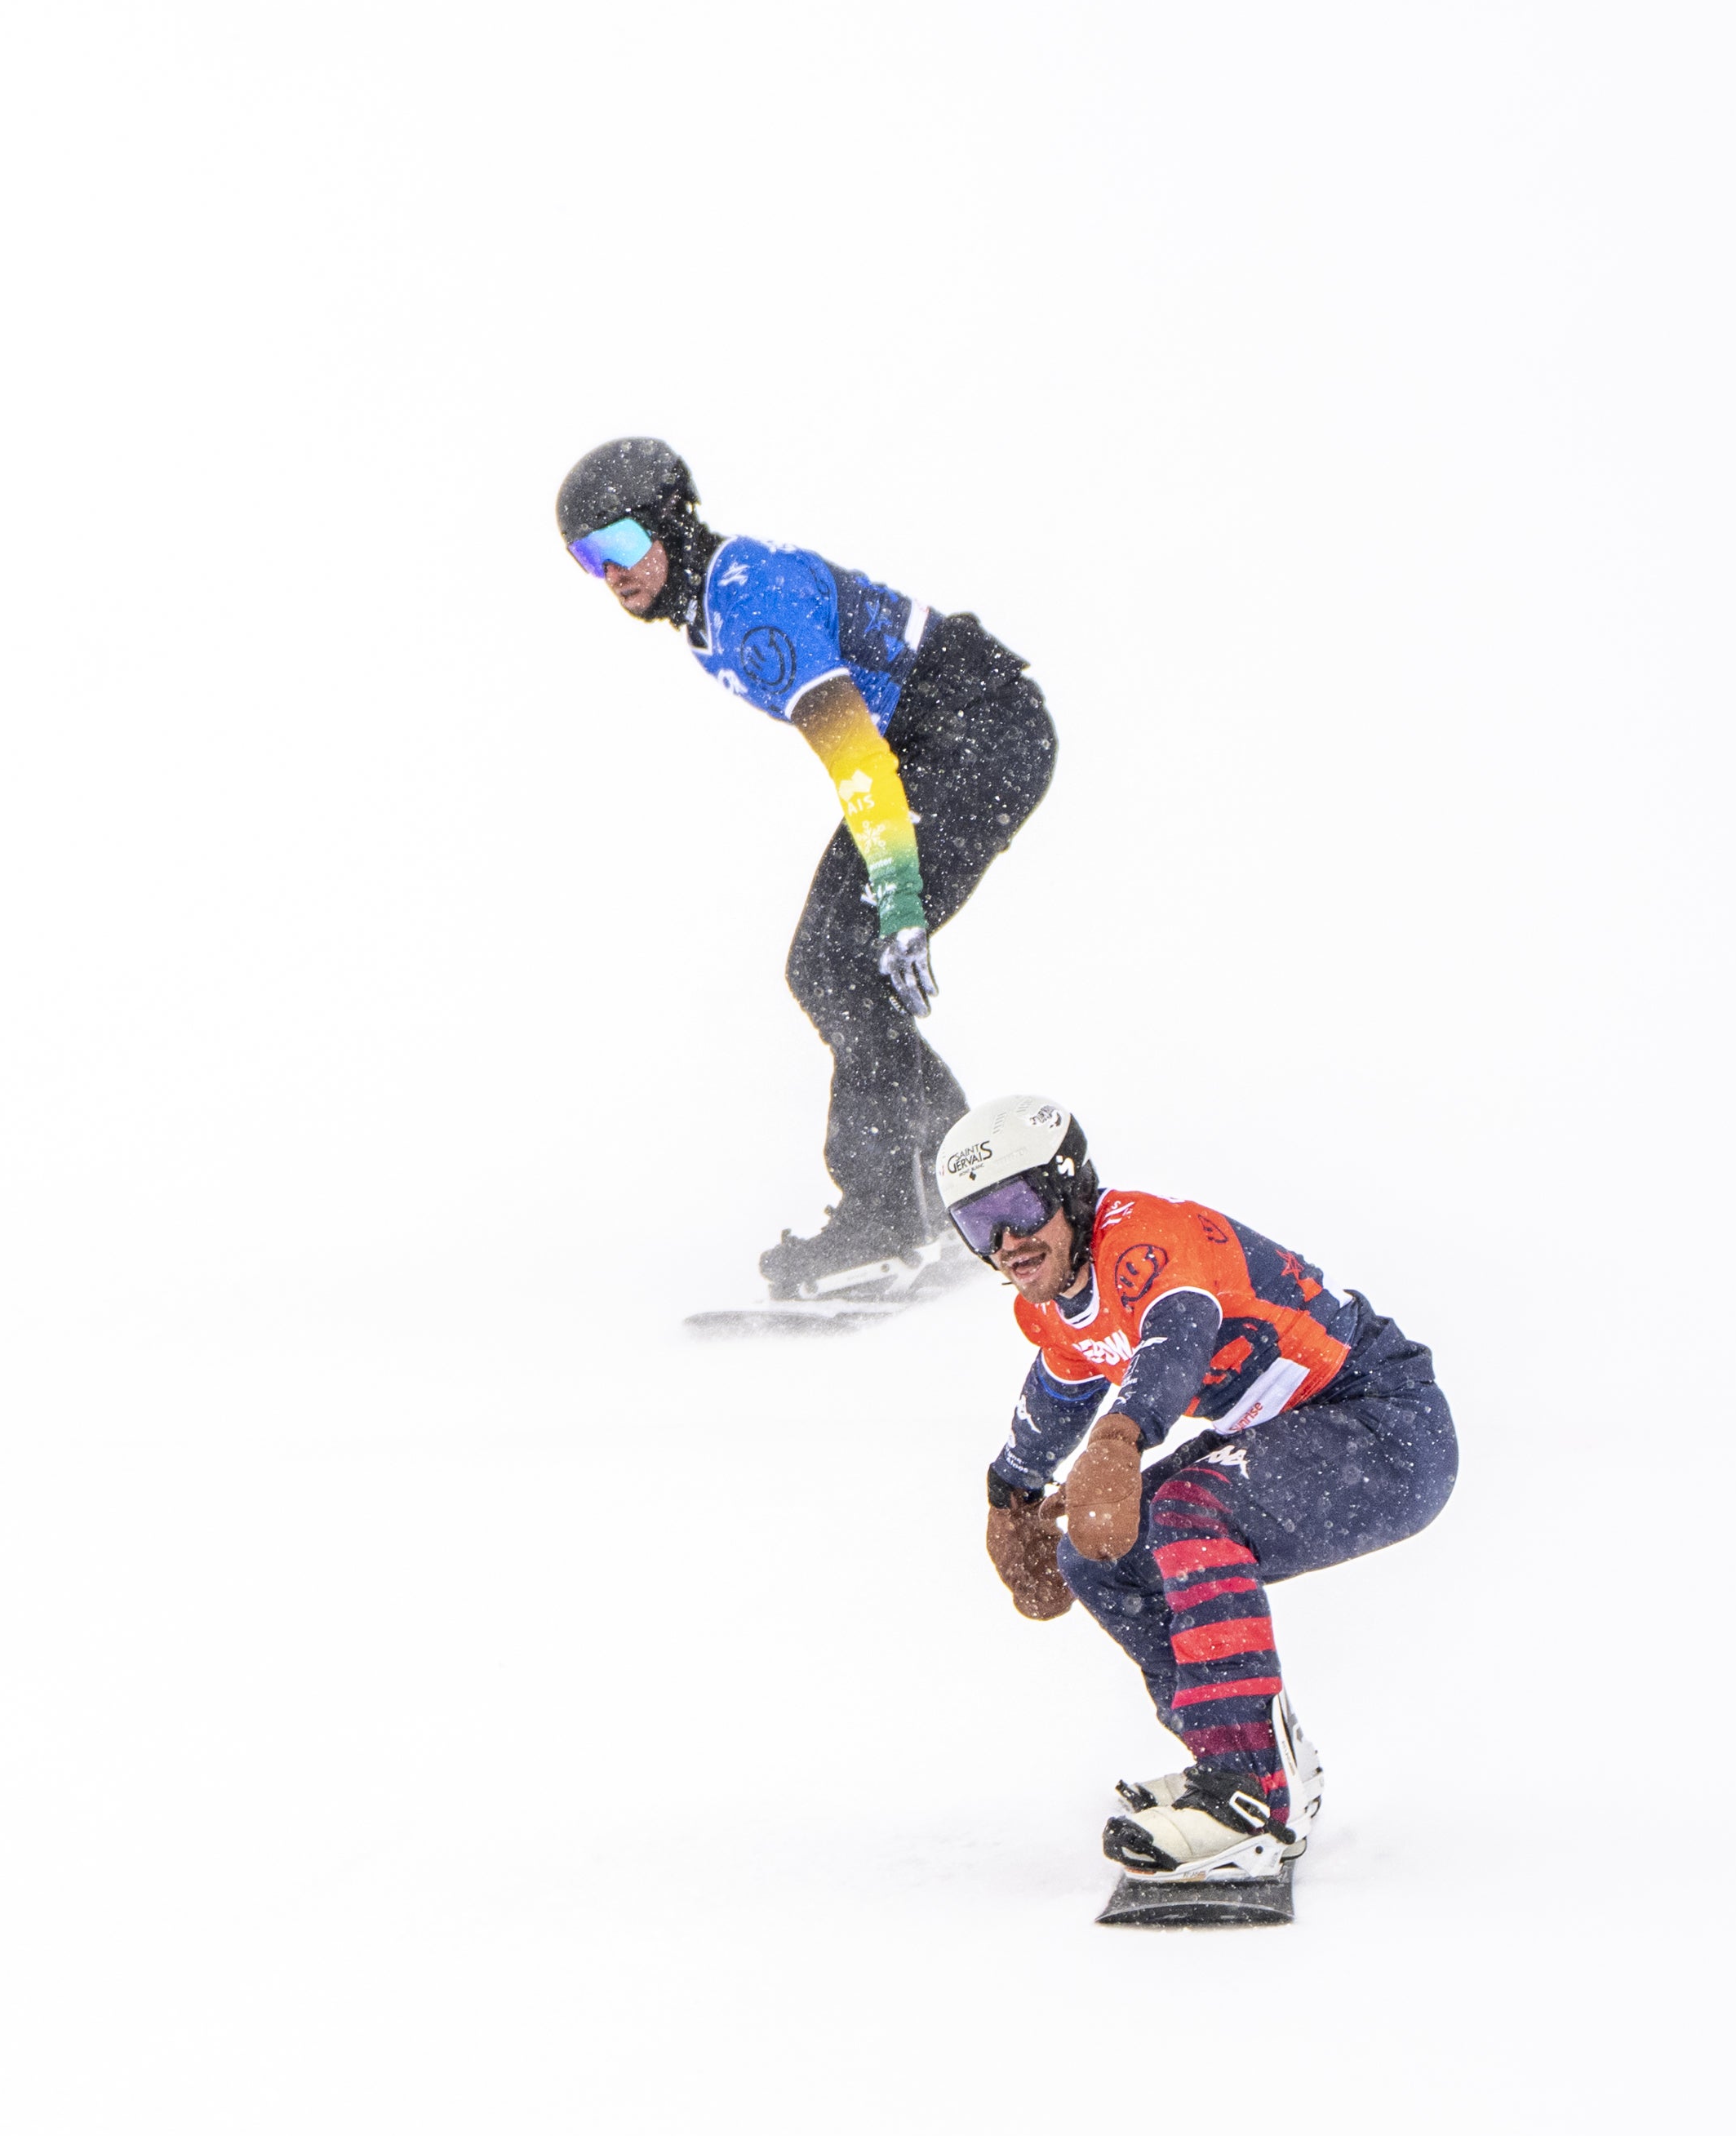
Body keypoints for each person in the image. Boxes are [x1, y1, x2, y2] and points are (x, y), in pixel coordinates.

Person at [557, 436, 1058, 1299]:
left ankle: (892, 1216)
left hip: (979, 735)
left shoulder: (749, 601)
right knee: (827, 966)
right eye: (586, 557)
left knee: (837, 963)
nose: (611, 573)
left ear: (673, 521)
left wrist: (899, 898)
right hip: (942, 741)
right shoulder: (712, 610)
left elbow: (856, 758)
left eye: (622, 543)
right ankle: (958, 1195)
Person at [942, 1096, 1454, 1885]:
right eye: (979, 1225)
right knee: (1099, 1556)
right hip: (1295, 1427)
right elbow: (1060, 1388)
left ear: (1069, 1186)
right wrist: (1009, 1490)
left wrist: (1121, 1437)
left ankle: (1250, 1792)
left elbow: (1174, 1338)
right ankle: (1234, 1760)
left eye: (1018, 1206)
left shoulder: (1144, 1239)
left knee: (1188, 1511)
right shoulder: (1054, 1305)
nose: (1007, 1242)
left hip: (1385, 1422)